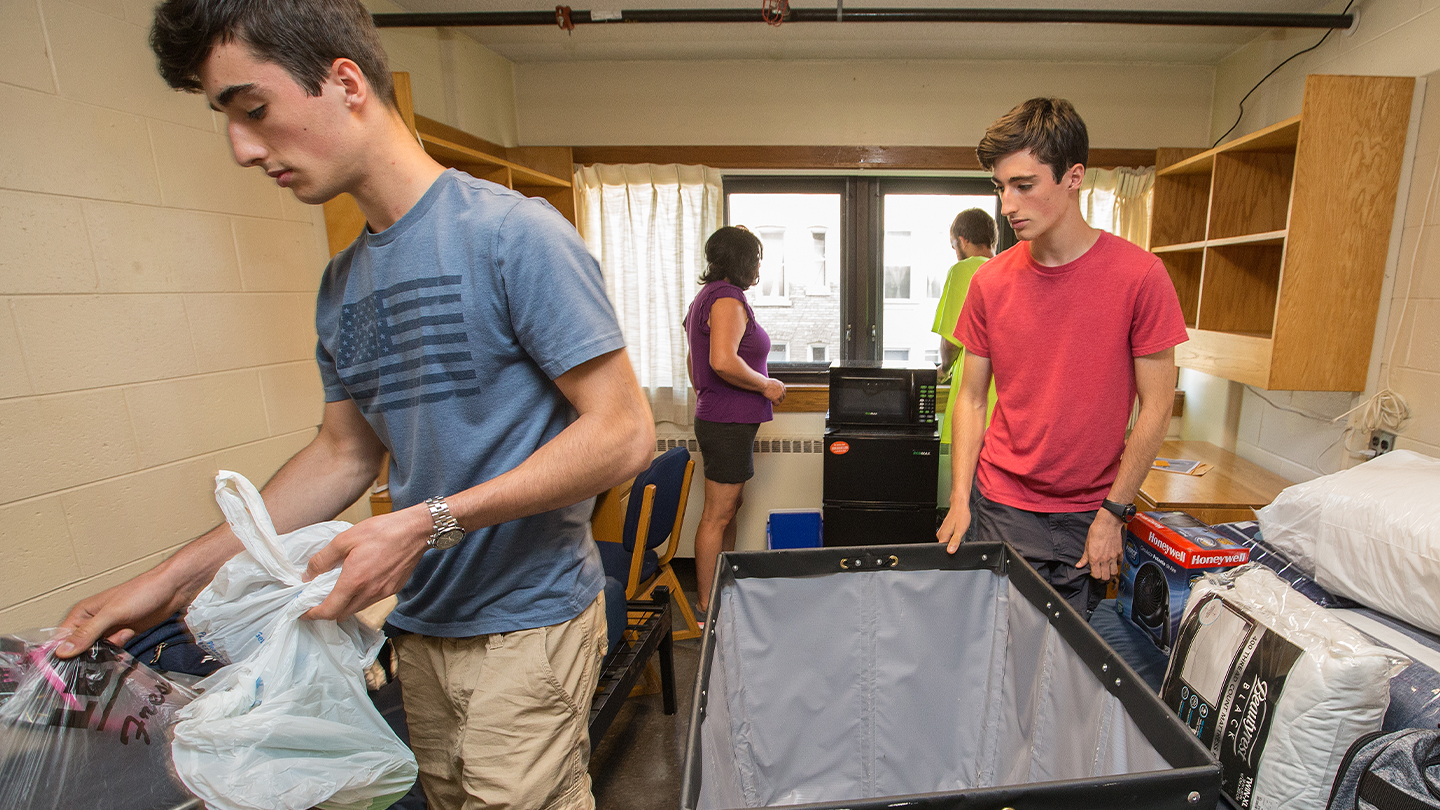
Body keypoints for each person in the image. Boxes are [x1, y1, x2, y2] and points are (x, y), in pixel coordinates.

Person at [54, 1, 656, 808]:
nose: (242, 149)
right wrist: (165, 585)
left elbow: (622, 433)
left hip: (527, 622)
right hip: (424, 623)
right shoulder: (341, 285)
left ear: (344, 82)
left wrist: (425, 523)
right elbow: (343, 455)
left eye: (253, 110)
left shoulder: (514, 234)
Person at [936, 97, 1188, 618]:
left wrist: (1113, 513)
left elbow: (1157, 406)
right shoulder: (988, 282)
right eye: (1000, 187)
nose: (1008, 204)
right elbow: (972, 399)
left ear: (1073, 177)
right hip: (1002, 501)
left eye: (1024, 185)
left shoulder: (1141, 277)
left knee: (1068, 654)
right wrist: (960, 498)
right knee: (1000, 644)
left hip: (1090, 510)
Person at [684, 226, 786, 618]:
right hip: (725, 422)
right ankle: (707, 606)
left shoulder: (707, 296)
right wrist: (766, 385)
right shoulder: (726, 298)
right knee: (717, 515)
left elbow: (694, 360)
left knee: (729, 507)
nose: (759, 266)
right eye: (756, 258)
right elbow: (722, 361)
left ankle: (721, 590)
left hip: (724, 420)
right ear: (744, 261)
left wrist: (706, 392)